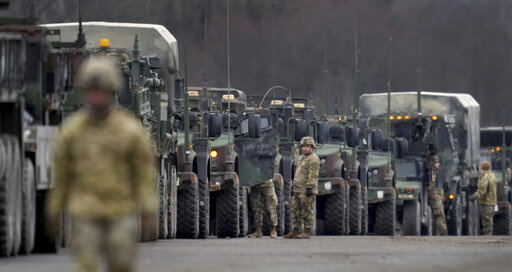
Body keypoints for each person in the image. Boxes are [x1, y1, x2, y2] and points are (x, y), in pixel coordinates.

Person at [47, 58, 157, 272]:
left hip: (120, 211)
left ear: (112, 91)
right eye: (92, 91)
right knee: (86, 266)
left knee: (122, 263)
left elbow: (143, 175)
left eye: (102, 91)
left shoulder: (130, 131)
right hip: (85, 212)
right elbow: (61, 177)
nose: (96, 96)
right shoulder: (72, 133)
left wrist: (148, 210)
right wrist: (54, 211)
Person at [284, 136, 320, 239]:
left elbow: (313, 174)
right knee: (296, 210)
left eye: (307, 146)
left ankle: (307, 231)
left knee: (307, 210)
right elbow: (298, 174)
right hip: (298, 189)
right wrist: (293, 186)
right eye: (303, 147)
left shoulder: (313, 159)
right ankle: (295, 230)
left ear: (312, 147)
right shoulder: (301, 158)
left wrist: (310, 187)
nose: (305, 148)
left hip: (306, 189)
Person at [472, 161, 497, 235]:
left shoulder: (485, 177)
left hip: (486, 202)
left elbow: (482, 190)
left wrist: (474, 196)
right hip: (492, 202)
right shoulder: (492, 175)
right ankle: (489, 235)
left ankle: (487, 238)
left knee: (487, 222)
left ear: (483, 168)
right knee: (489, 221)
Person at [427, 155, 448, 236]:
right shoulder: (431, 173)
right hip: (434, 198)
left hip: (436, 197)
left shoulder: (434, 172)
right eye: (436, 162)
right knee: (439, 216)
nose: (438, 164)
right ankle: (444, 233)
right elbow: (431, 187)